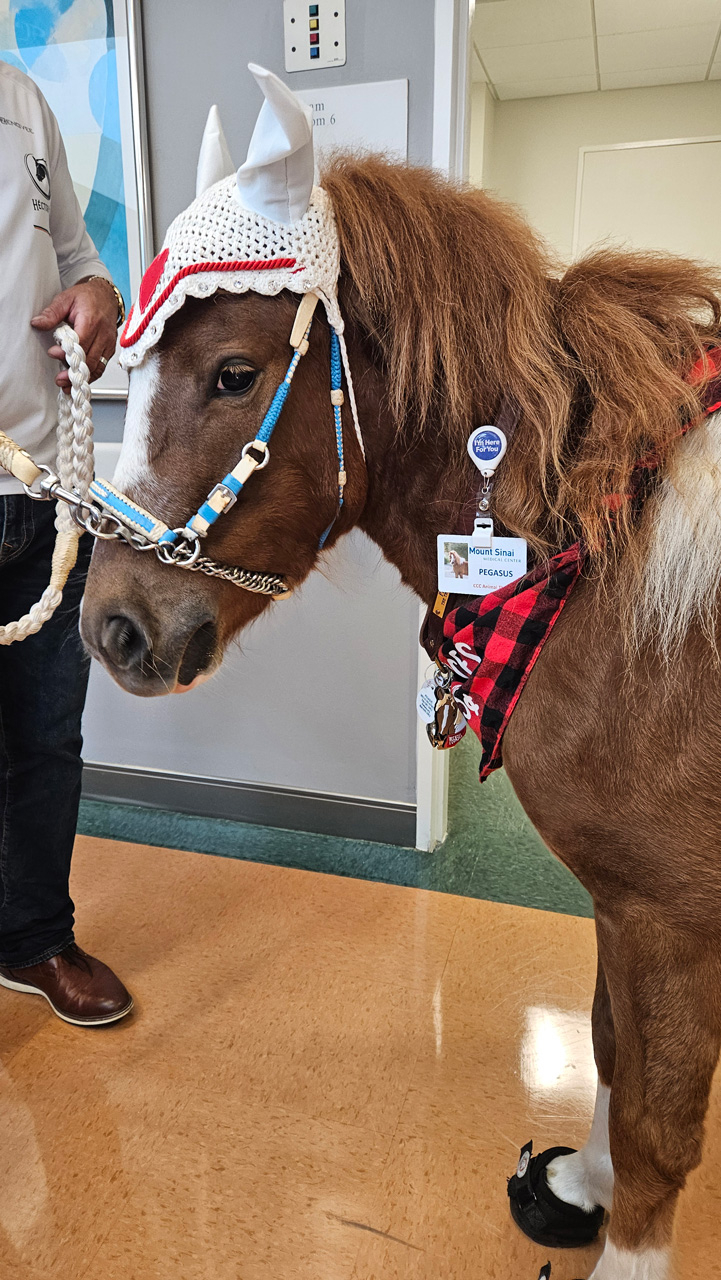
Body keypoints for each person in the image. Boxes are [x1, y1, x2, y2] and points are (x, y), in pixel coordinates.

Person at [0, 60, 133, 1025]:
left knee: (47, 740)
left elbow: (78, 257)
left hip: (45, 489)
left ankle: (34, 938)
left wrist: (97, 297)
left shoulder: (20, 96)